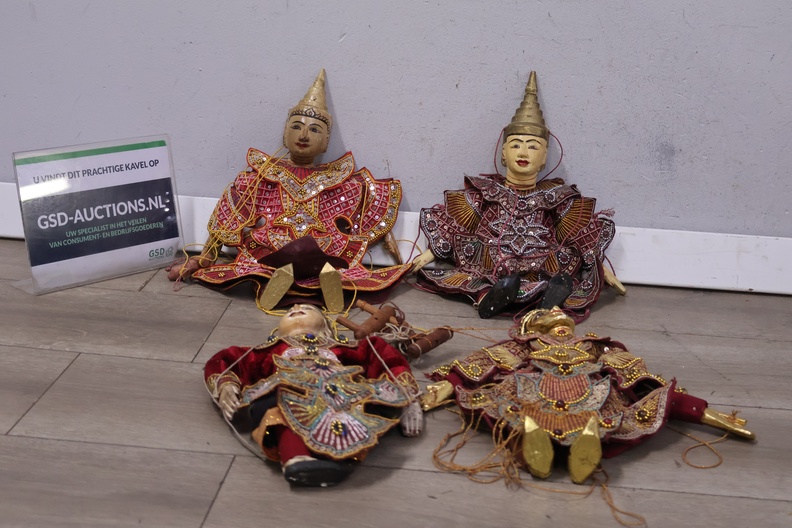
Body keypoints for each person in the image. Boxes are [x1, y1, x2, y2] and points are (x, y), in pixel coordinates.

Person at [421, 305, 755, 484]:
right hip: (533, 385)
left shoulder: (595, 345)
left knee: (606, 412)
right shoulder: (526, 345)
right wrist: (448, 384)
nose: (558, 314)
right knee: (518, 407)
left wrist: (699, 410)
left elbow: (635, 375)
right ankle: (533, 446)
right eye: (550, 317)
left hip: (592, 390)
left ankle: (583, 449)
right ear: (535, 328)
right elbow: (487, 361)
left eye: (563, 317)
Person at [167, 70, 407, 312]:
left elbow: (368, 192)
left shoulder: (336, 177)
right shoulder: (261, 176)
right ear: (285, 133)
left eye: (315, 130)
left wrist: (387, 236)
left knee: (328, 260)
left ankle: (316, 281)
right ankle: (290, 282)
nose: (303, 135)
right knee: (264, 263)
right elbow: (233, 210)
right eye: (296, 127)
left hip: (322, 245)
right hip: (273, 246)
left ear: (326, 142)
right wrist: (207, 256)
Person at [412, 71, 620, 321]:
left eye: (533, 146)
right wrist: (431, 253)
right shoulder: (487, 191)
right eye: (515, 145)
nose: (523, 152)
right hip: (491, 260)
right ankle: (490, 297)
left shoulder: (555, 195)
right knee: (477, 277)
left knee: (558, 271)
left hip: (540, 261)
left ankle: (547, 299)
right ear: (503, 153)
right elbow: (457, 224)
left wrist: (596, 265)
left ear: (544, 157)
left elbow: (579, 233)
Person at [205, 304, 424, 487]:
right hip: (292, 393)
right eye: (289, 310)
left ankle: (342, 458)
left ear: (327, 327)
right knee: (280, 405)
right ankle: (296, 458)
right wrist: (225, 385)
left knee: (361, 410)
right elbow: (227, 360)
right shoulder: (268, 351)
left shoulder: (344, 347)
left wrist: (408, 396)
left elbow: (385, 357)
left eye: (308, 308)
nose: (296, 307)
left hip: (342, 395)